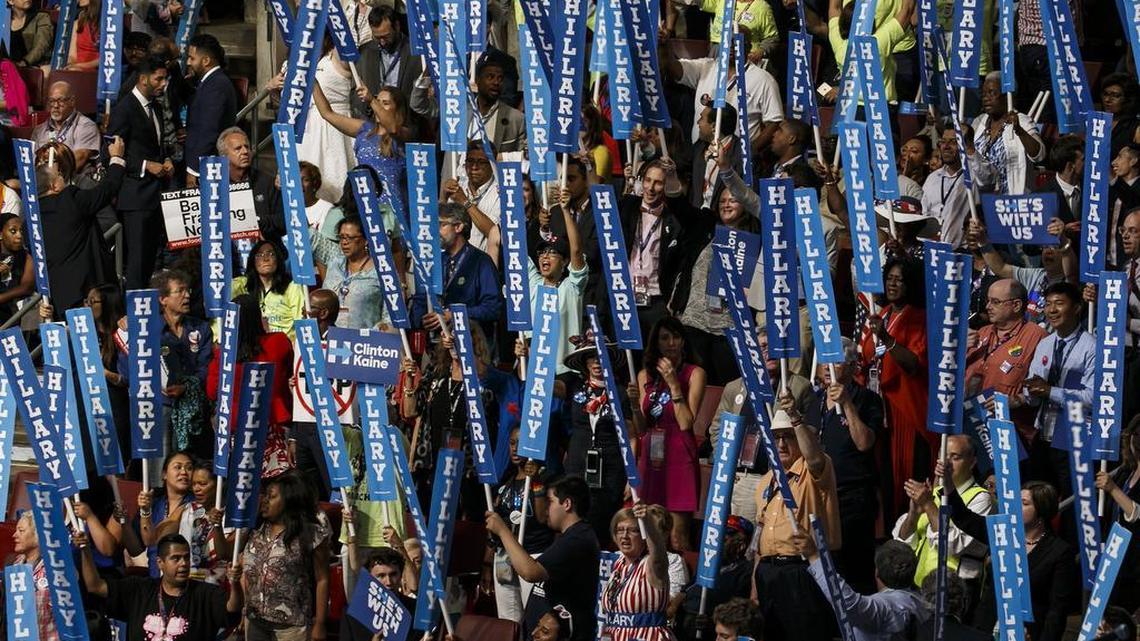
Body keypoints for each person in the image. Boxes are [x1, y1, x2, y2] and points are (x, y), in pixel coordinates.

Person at [943, 478, 1077, 641]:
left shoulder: (1060, 552)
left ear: (1042, 511)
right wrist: (949, 484)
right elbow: (964, 517)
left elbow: (1057, 611)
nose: (1015, 507)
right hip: (986, 629)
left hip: (1028, 634)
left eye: (1024, 503)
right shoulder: (1003, 535)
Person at [707, 323, 818, 519]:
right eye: (763, 347)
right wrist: (725, 464)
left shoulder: (800, 388)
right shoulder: (734, 388)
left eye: (773, 346)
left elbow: (810, 433)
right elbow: (717, 428)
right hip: (732, 477)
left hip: (768, 476)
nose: (769, 352)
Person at [752, 401, 840, 641]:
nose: (781, 444)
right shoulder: (766, 481)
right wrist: (754, 586)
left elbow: (815, 460)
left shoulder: (813, 471)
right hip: (768, 572)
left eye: (788, 437)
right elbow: (759, 537)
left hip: (801, 570)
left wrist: (796, 418)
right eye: (776, 437)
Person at [858, 259, 932, 520]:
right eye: (889, 277)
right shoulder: (884, 314)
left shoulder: (920, 317)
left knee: (906, 477)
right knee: (883, 477)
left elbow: (913, 364)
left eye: (899, 278)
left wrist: (888, 340)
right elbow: (868, 355)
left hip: (906, 411)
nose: (892, 283)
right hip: (880, 407)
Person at [485, 476, 601, 641]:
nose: (547, 509)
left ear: (567, 504)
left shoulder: (577, 538)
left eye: (551, 502)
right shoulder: (570, 536)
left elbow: (530, 572)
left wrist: (503, 531)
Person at [630, 317, 706, 551]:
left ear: (684, 341)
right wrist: (634, 404)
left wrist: (674, 385)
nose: (671, 343)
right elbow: (642, 428)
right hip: (652, 459)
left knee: (676, 537)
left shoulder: (695, 373)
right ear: (656, 343)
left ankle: (679, 585)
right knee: (648, 533)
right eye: (665, 338)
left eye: (676, 337)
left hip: (679, 458)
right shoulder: (645, 376)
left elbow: (685, 422)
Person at [817, 338, 886, 594]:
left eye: (835, 361)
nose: (828, 367)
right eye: (824, 360)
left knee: (853, 573)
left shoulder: (867, 400)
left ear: (852, 366)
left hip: (853, 500)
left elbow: (865, 443)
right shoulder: (814, 399)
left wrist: (846, 404)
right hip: (820, 497)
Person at [205, 292, 294, 475]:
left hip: (235, 428)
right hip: (272, 424)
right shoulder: (278, 342)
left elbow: (212, 392)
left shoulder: (223, 354)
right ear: (257, 317)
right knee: (274, 489)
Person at [36, 135, 125, 314]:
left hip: (58, 299)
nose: (62, 177)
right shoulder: (71, 199)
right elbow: (108, 189)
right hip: (91, 295)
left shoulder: (31, 217)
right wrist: (116, 158)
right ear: (54, 186)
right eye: (59, 176)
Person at [559, 333, 635, 542]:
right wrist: (530, 360)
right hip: (577, 465)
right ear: (584, 361)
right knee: (573, 522)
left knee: (601, 527)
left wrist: (632, 478)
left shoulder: (621, 393)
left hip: (610, 470)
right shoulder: (574, 386)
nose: (596, 362)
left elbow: (632, 438)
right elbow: (546, 388)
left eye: (601, 356)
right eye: (591, 357)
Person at [109, 55, 175, 290]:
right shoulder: (124, 109)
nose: (163, 84)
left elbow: (157, 144)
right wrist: (146, 165)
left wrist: (165, 158)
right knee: (136, 263)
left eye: (165, 79)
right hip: (135, 197)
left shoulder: (155, 106)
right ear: (143, 79)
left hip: (155, 194)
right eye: (159, 79)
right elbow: (111, 151)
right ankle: (134, 314)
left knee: (149, 260)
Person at [892, 435, 992, 588]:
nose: (946, 463)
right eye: (942, 456)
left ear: (972, 463)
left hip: (954, 594)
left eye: (955, 457)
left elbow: (954, 546)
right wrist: (914, 513)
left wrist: (928, 505)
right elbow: (902, 543)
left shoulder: (982, 498)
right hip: (919, 587)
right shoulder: (933, 493)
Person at [242, 470, 332, 641]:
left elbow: (323, 579)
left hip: (292, 625)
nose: (264, 501)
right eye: (265, 496)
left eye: (272, 496)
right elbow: (241, 567)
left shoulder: (312, 534)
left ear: (289, 501)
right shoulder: (255, 530)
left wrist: (320, 623)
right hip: (255, 621)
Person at [1023, 282, 1094, 493]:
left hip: (1072, 440)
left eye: (1059, 303)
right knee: (1038, 500)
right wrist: (1030, 391)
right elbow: (1033, 393)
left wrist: (1049, 391)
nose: (1052, 310)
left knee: (1070, 504)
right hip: (1043, 434)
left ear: (1077, 307)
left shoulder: (1091, 347)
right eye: (1049, 304)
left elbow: (1093, 398)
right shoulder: (1045, 343)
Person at [658, 32, 782, 150]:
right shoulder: (705, 67)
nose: (732, 45)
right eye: (729, 40)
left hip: (735, 158)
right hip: (701, 153)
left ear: (749, 46)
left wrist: (750, 152)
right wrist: (664, 45)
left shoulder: (763, 80)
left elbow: (773, 122)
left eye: (738, 41)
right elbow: (672, 67)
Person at [793, 535, 931, 641]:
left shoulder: (883, 608)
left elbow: (846, 603)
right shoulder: (923, 603)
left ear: (877, 572)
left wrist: (813, 556)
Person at [312, 79, 408, 226]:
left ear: (398, 109)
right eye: (378, 101)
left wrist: (371, 101)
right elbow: (327, 114)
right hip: (366, 205)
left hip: (393, 210)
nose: (379, 106)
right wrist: (313, 81)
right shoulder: (365, 129)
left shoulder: (404, 133)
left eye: (386, 103)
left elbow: (393, 128)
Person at [964, 278, 1048, 441]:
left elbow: (1045, 388)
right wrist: (959, 350)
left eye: (995, 302)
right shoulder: (980, 332)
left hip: (1012, 432)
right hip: (973, 425)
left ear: (1016, 305)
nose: (988, 307)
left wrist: (1015, 401)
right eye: (988, 301)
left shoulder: (1037, 337)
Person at [408, 203, 503, 338]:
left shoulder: (481, 262)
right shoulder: (434, 263)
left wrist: (455, 315)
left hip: (472, 345)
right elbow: (420, 300)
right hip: (438, 347)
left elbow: (493, 308)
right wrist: (422, 319)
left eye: (442, 225)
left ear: (458, 227)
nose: (436, 231)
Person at [489, 428, 554, 622]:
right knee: (508, 619)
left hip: (533, 555)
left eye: (520, 442)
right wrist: (487, 561)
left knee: (534, 617)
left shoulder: (547, 478)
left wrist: (534, 481)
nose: (515, 448)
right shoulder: (505, 482)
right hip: (503, 558)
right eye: (512, 443)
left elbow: (543, 517)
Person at [970, 218, 1076, 327]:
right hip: (1028, 339)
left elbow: (1071, 273)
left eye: (1054, 247)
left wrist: (1063, 241)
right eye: (1045, 247)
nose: (1048, 251)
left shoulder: (1070, 281)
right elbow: (1000, 268)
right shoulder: (1035, 275)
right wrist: (983, 242)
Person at [671, 516, 755, 641]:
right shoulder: (707, 564)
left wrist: (712, 621)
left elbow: (739, 611)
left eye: (724, 540)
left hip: (713, 629)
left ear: (741, 545)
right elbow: (687, 589)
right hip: (684, 624)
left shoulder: (746, 572)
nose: (716, 544)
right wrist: (673, 606)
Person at [598, 504, 672, 641]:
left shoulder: (651, 564)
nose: (624, 536)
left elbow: (658, 549)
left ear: (644, 536)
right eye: (620, 530)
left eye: (633, 530)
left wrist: (648, 524)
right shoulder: (618, 565)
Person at [296, 44, 357, 204]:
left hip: (333, 123)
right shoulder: (298, 55)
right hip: (306, 127)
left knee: (333, 173)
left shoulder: (336, 53)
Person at [968, 72, 1046, 195]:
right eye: (983, 93)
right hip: (981, 201)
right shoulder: (979, 122)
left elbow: (1039, 155)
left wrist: (1020, 131)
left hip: (1011, 203)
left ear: (1007, 96)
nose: (985, 98)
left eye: (992, 93)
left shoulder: (1022, 120)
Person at [183, 34, 237, 186]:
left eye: (192, 58)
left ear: (206, 60)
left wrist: (193, 170)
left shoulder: (216, 86)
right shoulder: (209, 82)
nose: (188, 62)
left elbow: (208, 130)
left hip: (208, 168)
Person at [323, 214, 390, 330]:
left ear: (365, 240)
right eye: (342, 237)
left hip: (366, 343)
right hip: (331, 338)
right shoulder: (334, 264)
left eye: (349, 238)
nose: (344, 242)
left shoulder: (383, 272)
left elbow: (389, 320)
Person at [1097, 431, 1140, 611]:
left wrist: (1112, 489)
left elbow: (1136, 514)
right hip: (1116, 556)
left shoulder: (1115, 482)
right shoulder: (1126, 471)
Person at [229, 239, 307, 338]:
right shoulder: (243, 284)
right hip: (256, 346)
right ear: (253, 261)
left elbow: (300, 321)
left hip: (286, 345)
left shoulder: (292, 287)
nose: (265, 259)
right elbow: (224, 294)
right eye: (259, 255)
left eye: (271, 254)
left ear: (278, 259)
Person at [354, 6, 424, 116]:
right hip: (374, 123)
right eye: (377, 37)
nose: (382, 42)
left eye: (386, 36)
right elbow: (356, 91)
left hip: (406, 121)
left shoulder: (417, 52)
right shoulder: (365, 52)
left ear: (397, 26)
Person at [6, 512, 59, 641]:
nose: (14, 535)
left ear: (38, 535)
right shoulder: (14, 566)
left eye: (21, 531)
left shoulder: (57, 568)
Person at [441, 141, 501, 253]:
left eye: (481, 162)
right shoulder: (456, 187)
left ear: (492, 165)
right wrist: (443, 198)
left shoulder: (500, 193)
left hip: (482, 263)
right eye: (470, 161)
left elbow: (495, 234)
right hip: (453, 260)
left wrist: (465, 201)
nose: (474, 167)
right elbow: (440, 226)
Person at [921, 127, 976, 250]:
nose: (946, 146)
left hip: (961, 251)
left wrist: (969, 148)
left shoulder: (975, 176)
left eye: (953, 142)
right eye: (943, 141)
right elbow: (924, 213)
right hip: (931, 248)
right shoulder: (933, 177)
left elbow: (987, 175)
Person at [32, 81, 102, 176]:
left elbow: (78, 159)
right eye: (52, 101)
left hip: (72, 181)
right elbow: (33, 162)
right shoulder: (39, 130)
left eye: (61, 101)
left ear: (72, 101)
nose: (55, 106)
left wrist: (52, 179)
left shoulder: (86, 126)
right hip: (43, 181)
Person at [0, 213, 34, 323]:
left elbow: (27, 287)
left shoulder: (27, 256)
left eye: (21, 231)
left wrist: (2, 297)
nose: (19, 236)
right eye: (13, 231)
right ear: (1, 234)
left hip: (16, 314)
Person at [1101, 72, 1140, 158]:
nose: (1107, 99)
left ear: (1129, 99)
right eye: (1105, 94)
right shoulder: (1097, 122)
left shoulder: (1136, 128)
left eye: (1115, 95)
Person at [8, 0, 53, 68]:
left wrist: (24, 62)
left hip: (34, 66)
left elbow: (41, 45)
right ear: (11, 1)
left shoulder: (41, 17)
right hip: (7, 67)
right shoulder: (3, 19)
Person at [65, 0, 100, 71]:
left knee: (73, 70)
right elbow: (72, 55)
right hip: (77, 65)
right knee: (45, 70)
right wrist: (68, 63)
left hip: (95, 69)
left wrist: (81, 66)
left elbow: (107, 58)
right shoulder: (77, 23)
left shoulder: (107, 23)